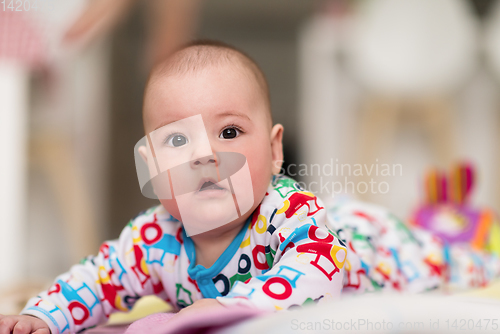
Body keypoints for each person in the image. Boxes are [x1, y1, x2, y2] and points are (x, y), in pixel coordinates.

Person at [1, 40, 498, 334]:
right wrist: (44, 317)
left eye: (231, 132)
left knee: (454, 262)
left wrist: (227, 308)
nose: (205, 154)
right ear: (151, 164)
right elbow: (98, 278)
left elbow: (316, 279)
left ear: (276, 150)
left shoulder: (291, 214)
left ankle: (467, 239)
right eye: (178, 139)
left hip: (369, 244)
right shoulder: (153, 240)